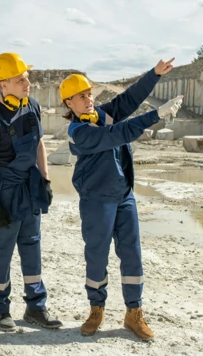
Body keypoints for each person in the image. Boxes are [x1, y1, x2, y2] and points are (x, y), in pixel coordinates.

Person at [58, 58, 183, 340]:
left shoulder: (104, 114)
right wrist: (155, 116)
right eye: (81, 96)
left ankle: (133, 312)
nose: (88, 99)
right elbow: (117, 134)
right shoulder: (78, 133)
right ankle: (96, 308)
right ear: (69, 103)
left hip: (124, 196)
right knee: (97, 256)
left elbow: (130, 98)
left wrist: (154, 74)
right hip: (96, 199)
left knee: (132, 255)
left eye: (89, 94)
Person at [0, 52, 62, 332]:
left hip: (29, 187)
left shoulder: (32, 106)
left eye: (27, 77)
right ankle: (0, 310)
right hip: (5, 189)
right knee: (1, 250)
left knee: (32, 245)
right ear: (3, 84)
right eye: (20, 79)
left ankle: (36, 307)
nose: (28, 83)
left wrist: (45, 180)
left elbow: (39, 145)